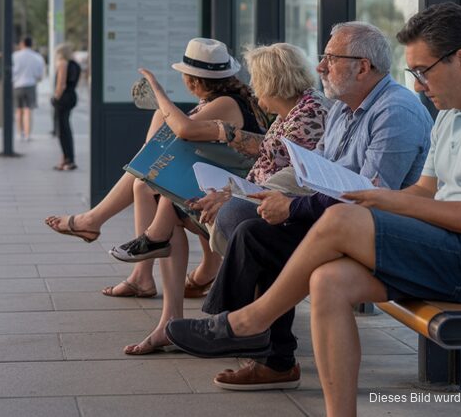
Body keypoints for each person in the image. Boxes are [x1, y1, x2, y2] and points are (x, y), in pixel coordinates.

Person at [166, 3, 461, 417]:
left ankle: (248, 322)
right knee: (328, 280)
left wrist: (379, 201)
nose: (420, 85)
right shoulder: (453, 113)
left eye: (423, 71)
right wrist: (376, 198)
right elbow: (425, 191)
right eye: (414, 73)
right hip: (451, 246)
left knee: (339, 217)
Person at [178, 21, 432, 391]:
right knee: (256, 230)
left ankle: (241, 334)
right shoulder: (343, 109)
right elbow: (318, 173)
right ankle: (254, 342)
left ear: (363, 67)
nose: (320, 67)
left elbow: (372, 196)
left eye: (331, 59)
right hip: (342, 222)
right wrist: (276, 198)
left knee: (262, 234)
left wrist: (293, 208)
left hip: (378, 234)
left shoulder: (395, 112)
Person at [111, 43, 327, 356]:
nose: (253, 88)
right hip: (258, 197)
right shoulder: (296, 110)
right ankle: (170, 311)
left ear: (271, 82)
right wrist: (229, 186)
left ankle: (205, 317)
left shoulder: (307, 115)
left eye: (256, 80)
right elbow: (271, 160)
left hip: (279, 212)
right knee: (170, 200)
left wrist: (230, 188)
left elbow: (288, 173)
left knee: (171, 202)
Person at [43, 38, 262, 299]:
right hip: (221, 184)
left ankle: (128, 260)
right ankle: (137, 267)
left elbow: (183, 130)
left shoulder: (226, 103)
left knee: (149, 187)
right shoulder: (223, 101)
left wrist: (157, 92)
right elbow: (167, 144)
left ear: (192, 81)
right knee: (148, 179)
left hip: (231, 194)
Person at [52, 44, 82, 171]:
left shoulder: (63, 63)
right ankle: (67, 159)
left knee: (62, 130)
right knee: (66, 128)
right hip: (71, 96)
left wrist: (55, 97)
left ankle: (68, 160)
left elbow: (61, 84)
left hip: (63, 98)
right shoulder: (75, 65)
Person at [12, 36, 47, 141]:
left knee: (18, 110)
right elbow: (40, 74)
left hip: (17, 85)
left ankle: (20, 133)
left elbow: (12, 71)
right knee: (28, 111)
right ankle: (28, 134)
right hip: (31, 85)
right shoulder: (37, 57)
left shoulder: (15, 56)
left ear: (22, 44)